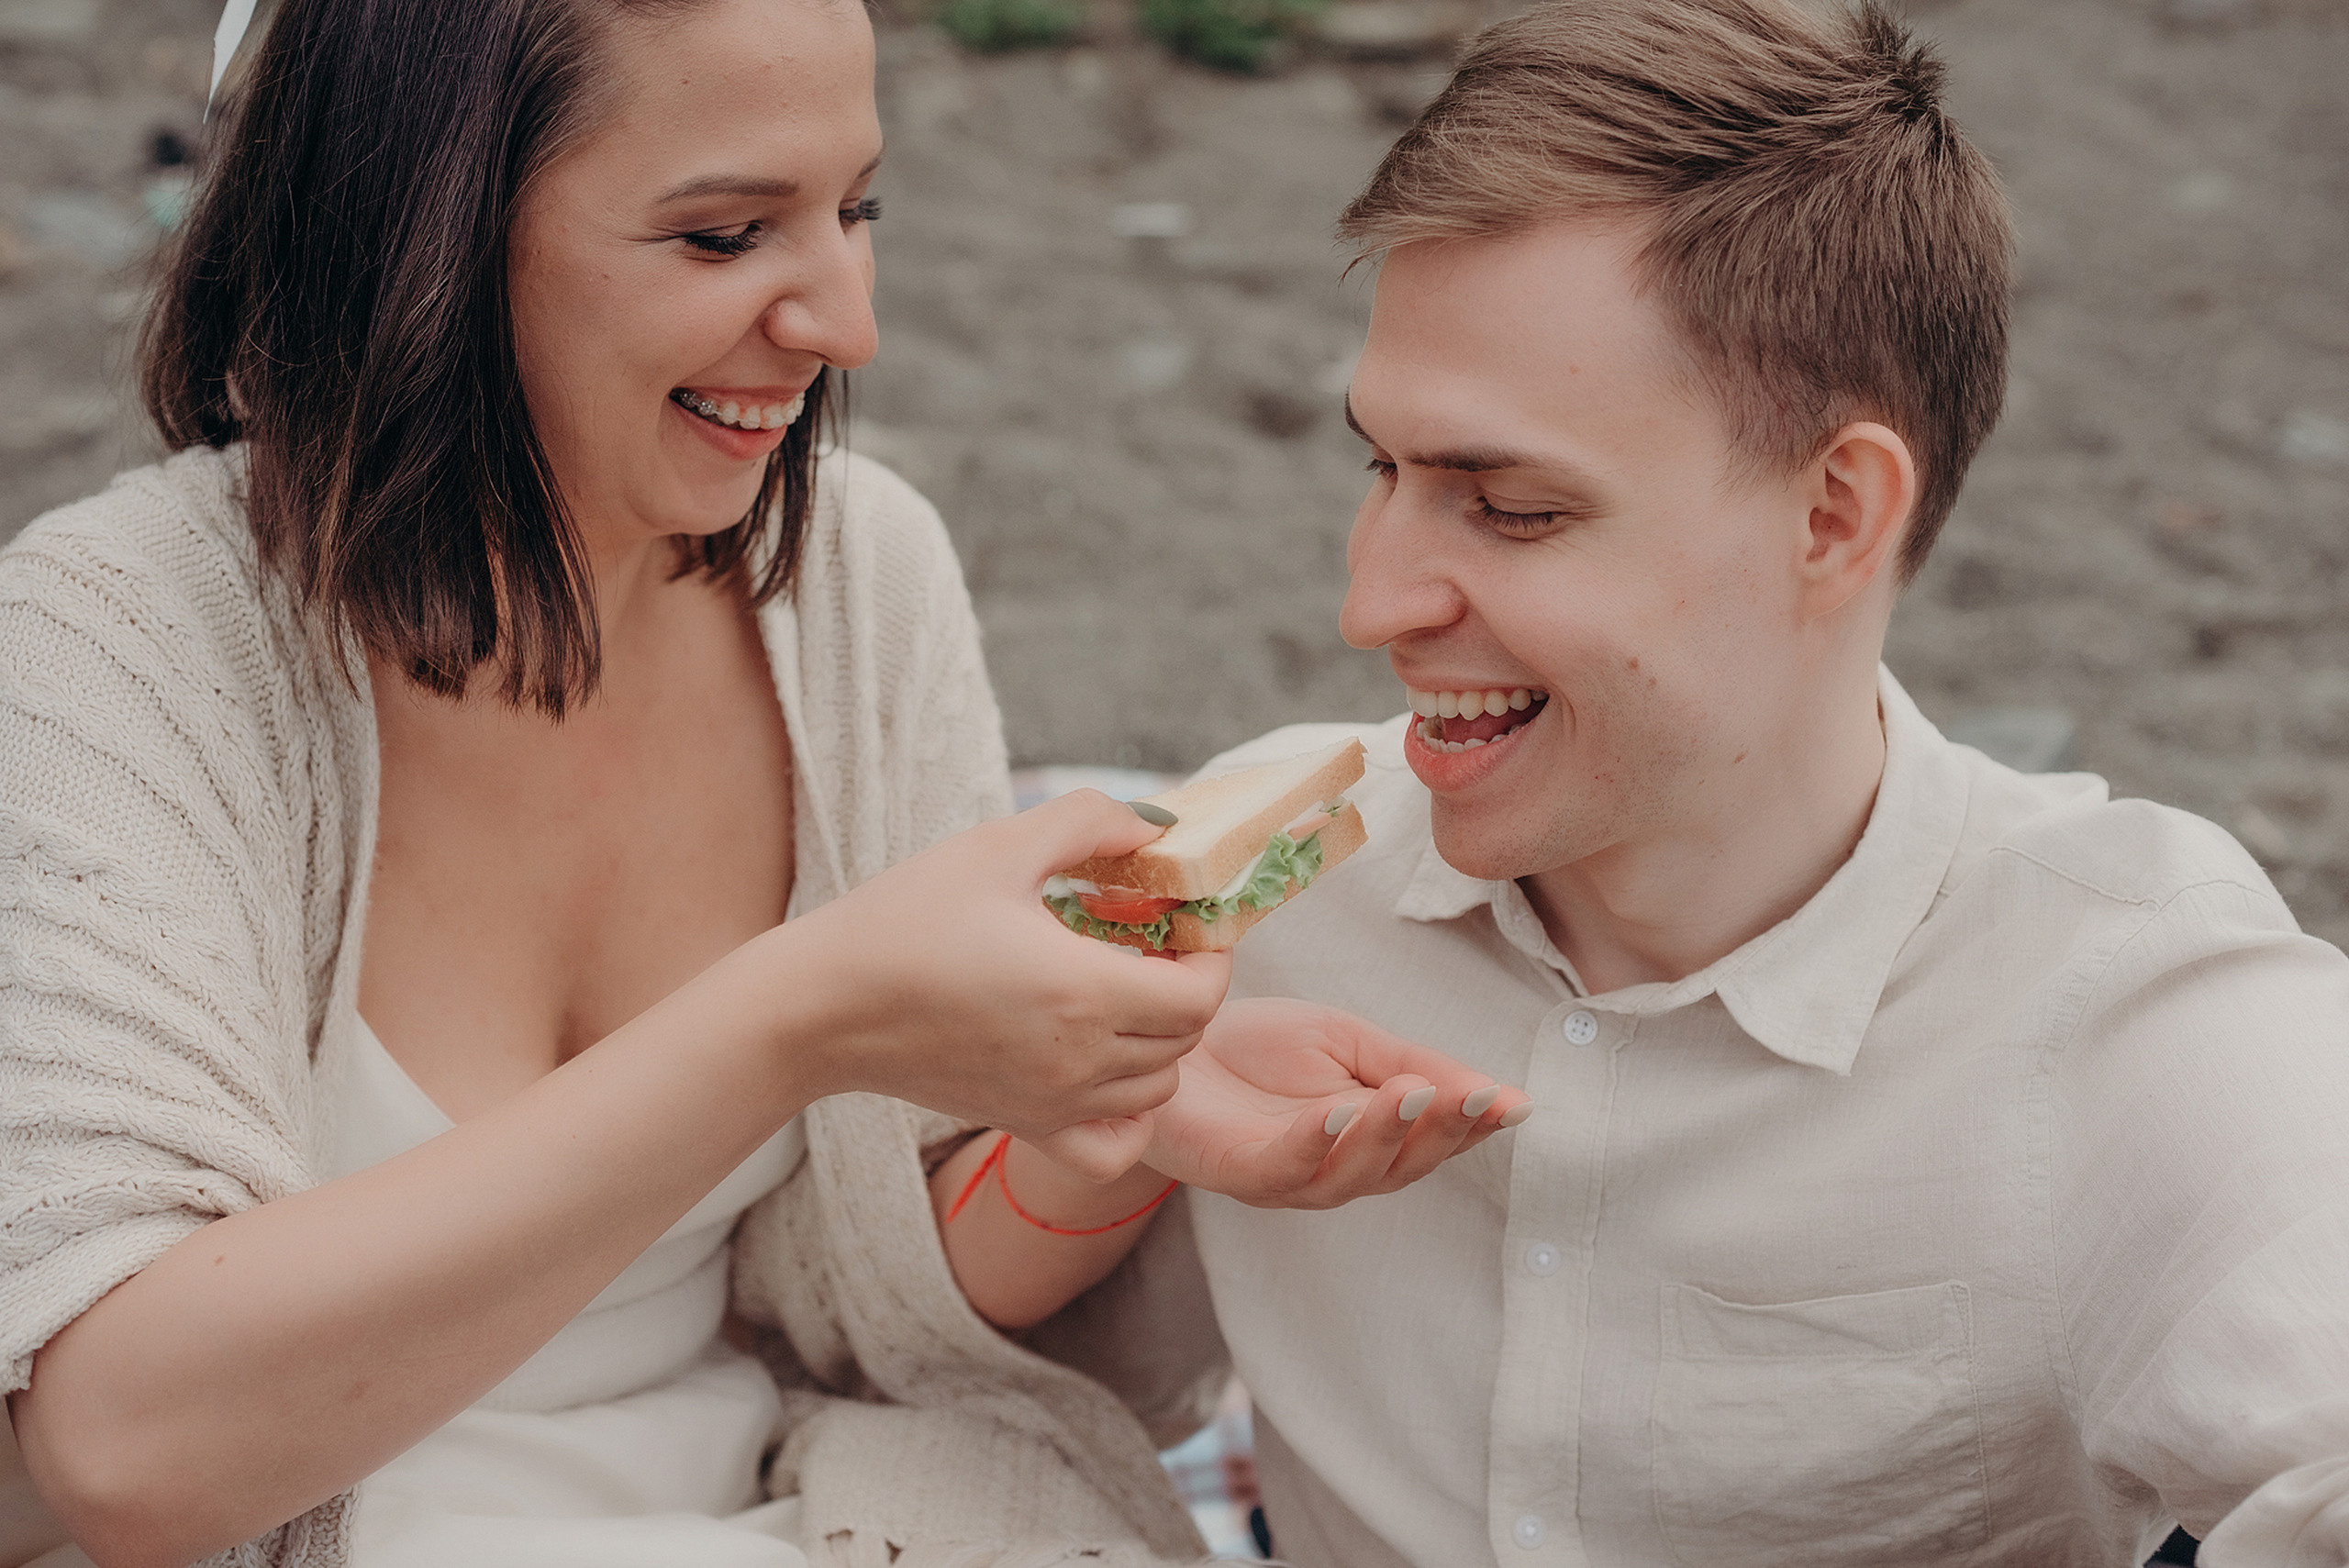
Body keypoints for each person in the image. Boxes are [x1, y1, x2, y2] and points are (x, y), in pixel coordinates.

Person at [0, 0, 1530, 1564]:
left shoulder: (860, 582)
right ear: (423, 234)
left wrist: (1095, 1125)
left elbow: (853, 1295)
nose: (847, 327)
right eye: (726, 235)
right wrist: (796, 1020)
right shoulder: (120, 638)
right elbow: (117, 1450)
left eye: (856, 210)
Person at [958, 1, 2349, 1563]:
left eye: (1511, 507)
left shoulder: (2129, 1014)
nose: (1369, 604)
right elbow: (968, 1366)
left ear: (1832, 515)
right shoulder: (1268, 886)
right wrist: (1096, 1113)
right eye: (1382, 467)